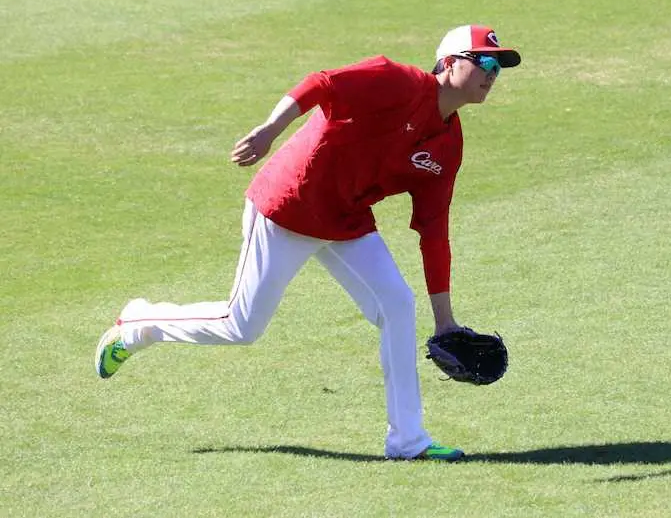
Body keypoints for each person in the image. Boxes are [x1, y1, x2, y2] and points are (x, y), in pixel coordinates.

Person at [93, 24, 521, 462]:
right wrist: (269, 129)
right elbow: (322, 83)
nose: (492, 74)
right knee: (241, 327)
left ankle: (408, 441)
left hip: (346, 218)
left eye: (498, 68)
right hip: (289, 206)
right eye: (484, 62)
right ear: (449, 63)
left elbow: (434, 231)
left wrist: (445, 322)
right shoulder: (397, 81)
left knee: (397, 303)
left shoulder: (448, 145)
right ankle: (139, 325)